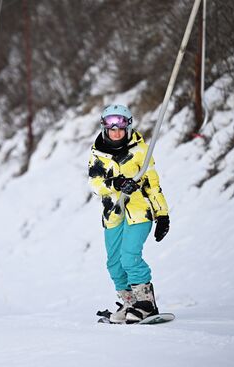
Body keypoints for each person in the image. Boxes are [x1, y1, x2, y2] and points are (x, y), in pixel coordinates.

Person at [88, 104, 170, 324]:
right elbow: (95, 184)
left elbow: (153, 185)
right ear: (105, 128)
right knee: (114, 263)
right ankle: (130, 303)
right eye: (112, 128)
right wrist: (114, 183)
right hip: (113, 212)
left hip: (138, 210)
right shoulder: (98, 154)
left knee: (129, 257)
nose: (116, 133)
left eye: (121, 128)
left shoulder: (140, 151)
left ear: (128, 127)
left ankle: (146, 304)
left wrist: (162, 214)